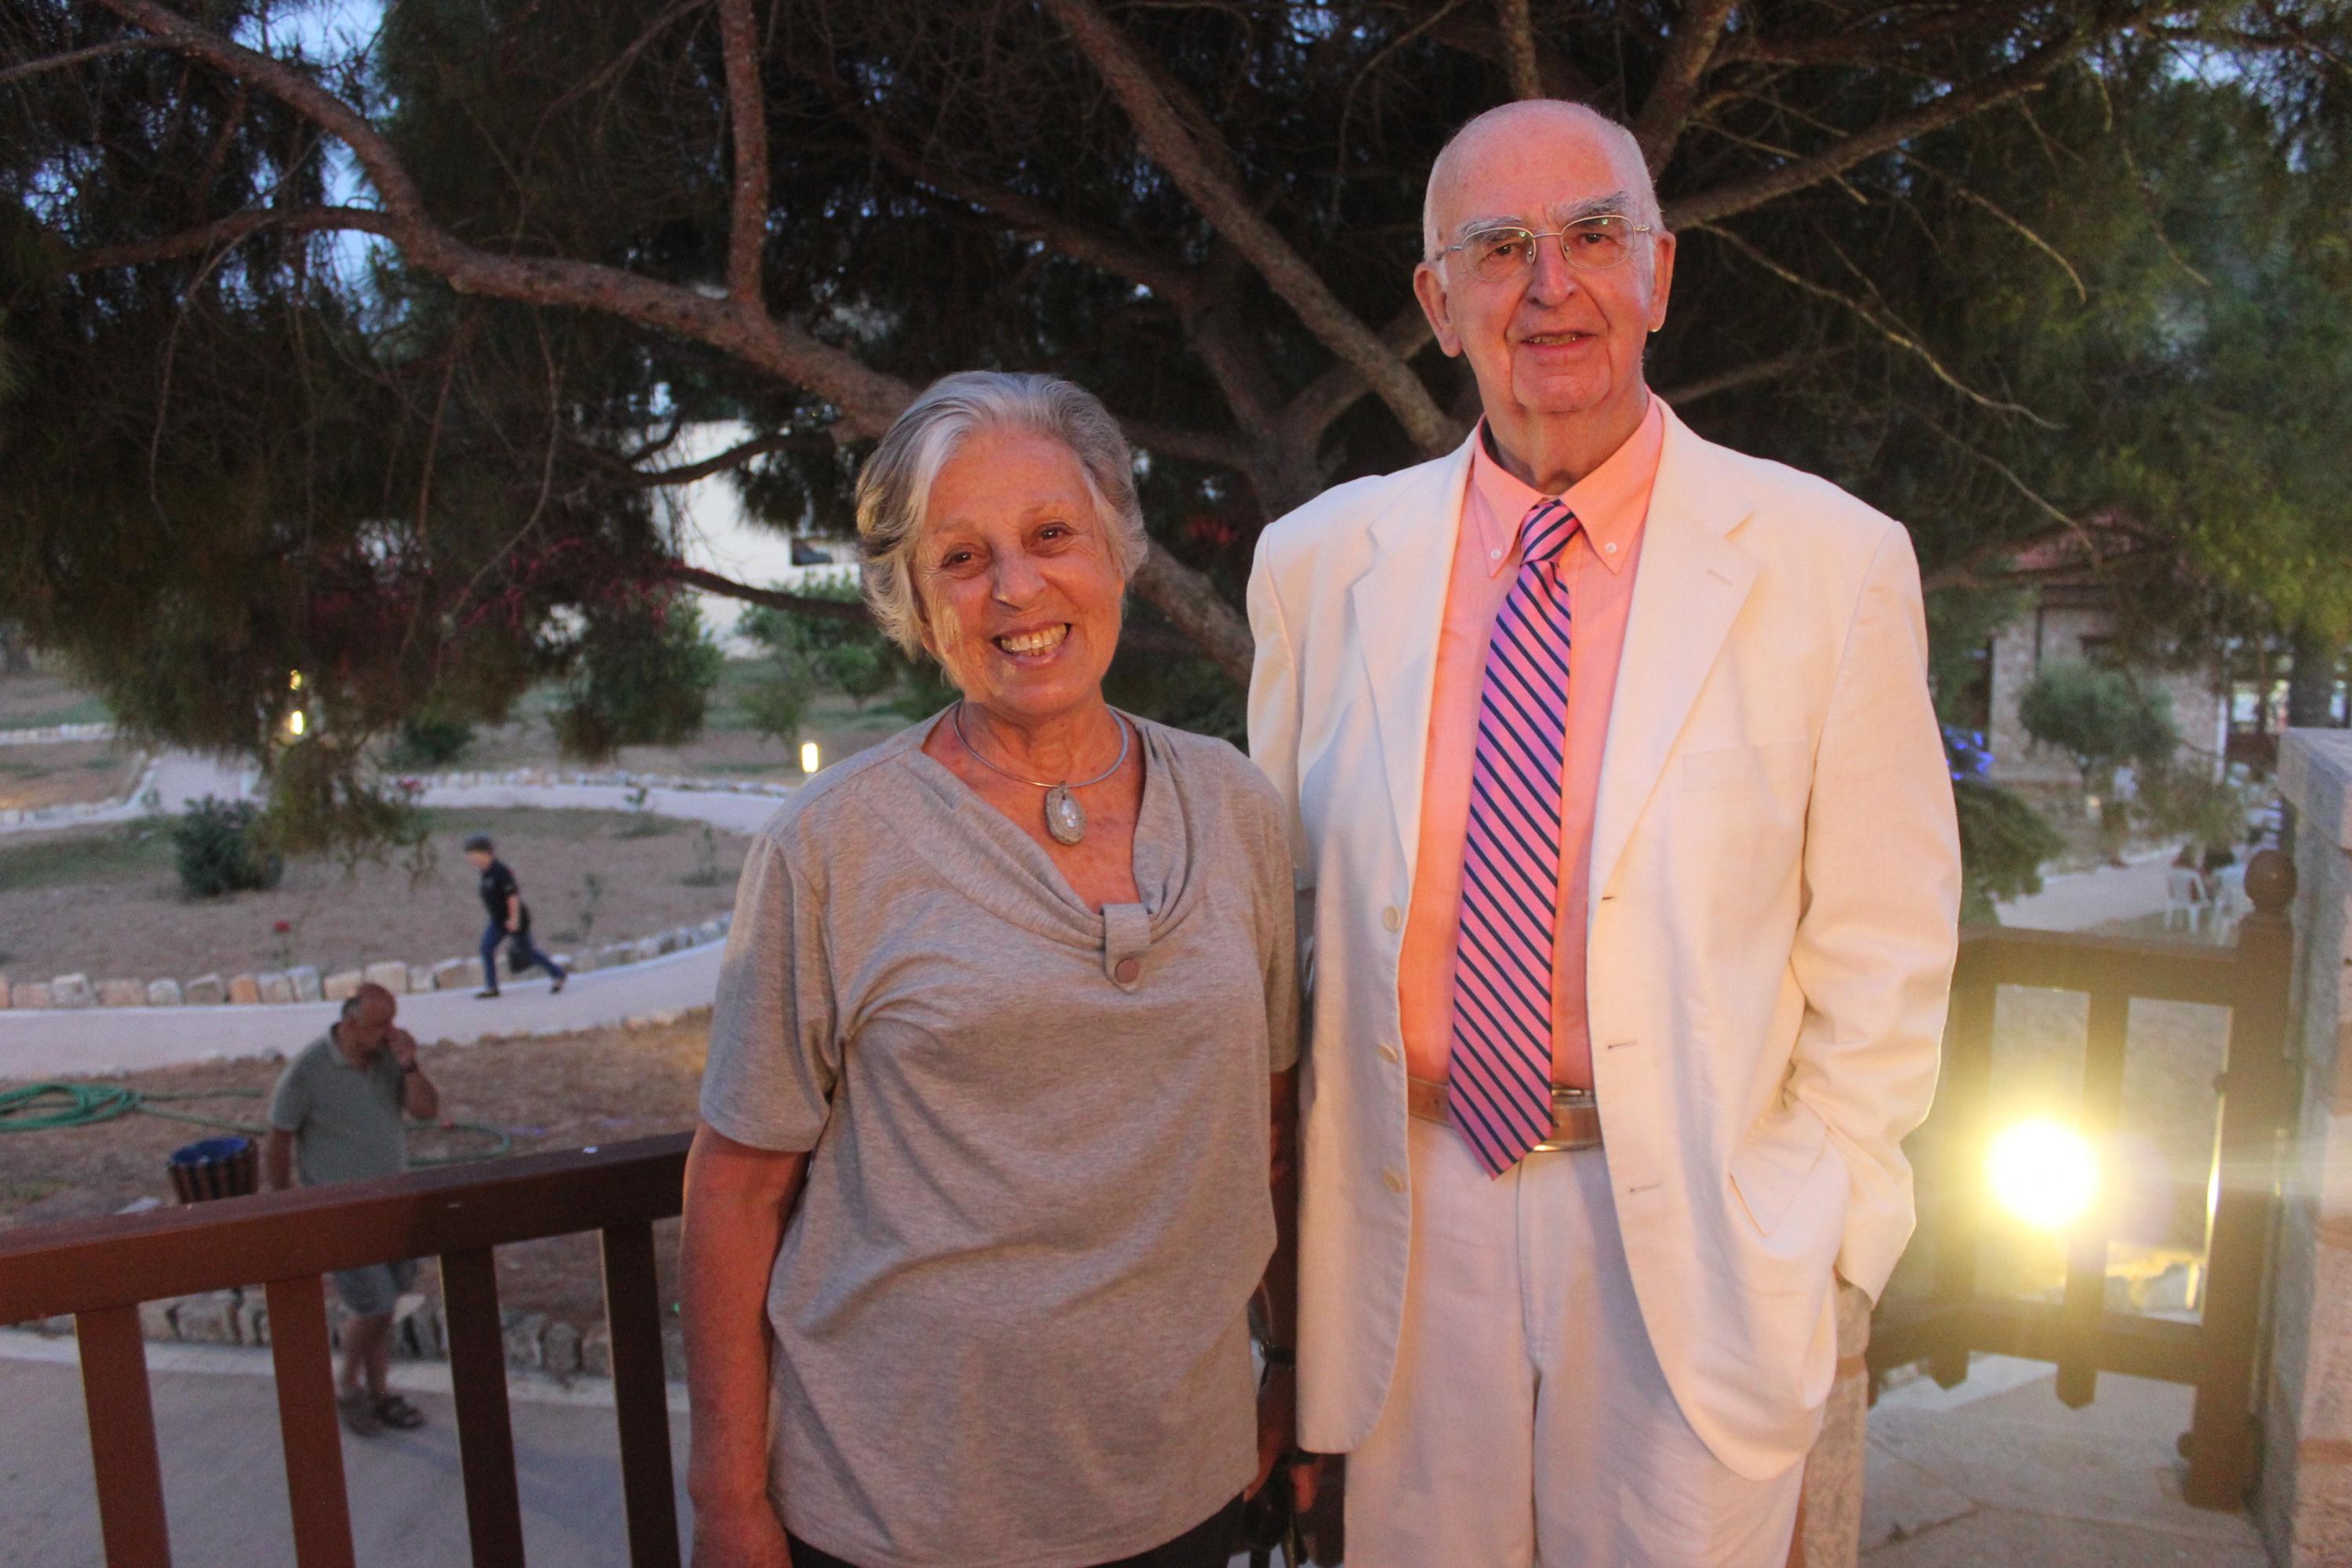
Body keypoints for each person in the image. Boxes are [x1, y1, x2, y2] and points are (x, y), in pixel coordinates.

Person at [1247, 100, 1962, 1566]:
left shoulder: (1832, 564)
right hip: (1407, 1226)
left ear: (1659, 274)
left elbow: (1887, 944)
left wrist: (1829, 1227)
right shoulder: (1317, 567)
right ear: (1437, 304)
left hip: (1689, 1239)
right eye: (1499, 248)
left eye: (1591, 235)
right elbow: (1285, 926)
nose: (1551, 285)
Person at [681, 371, 1302, 1568]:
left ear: (1119, 550)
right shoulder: (832, 846)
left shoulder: (1236, 809)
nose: (1017, 588)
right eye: (962, 558)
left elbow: (1271, 1134)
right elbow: (738, 1191)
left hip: (1180, 1486)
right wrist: (727, 1495)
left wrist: (1289, 1364)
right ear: (917, 604)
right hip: (896, 1513)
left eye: (1052, 534)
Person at [263, 982, 440, 1437]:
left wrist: (410, 1065)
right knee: (374, 1303)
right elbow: (279, 1137)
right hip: (341, 1210)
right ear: (349, 1024)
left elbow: (426, 1110)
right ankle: (346, 1385)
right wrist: (284, 1202)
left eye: (392, 1022)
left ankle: (379, 1393)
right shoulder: (309, 1070)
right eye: (379, 1025)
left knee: (386, 1303)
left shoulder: (388, 1059)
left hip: (394, 1203)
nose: (389, 1033)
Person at [462, 833, 565, 998]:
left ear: (485, 852)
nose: (470, 858)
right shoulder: (485, 873)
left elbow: (513, 896)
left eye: (473, 853)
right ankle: (491, 987)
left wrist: (514, 918)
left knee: (527, 951)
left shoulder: (501, 871)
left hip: (514, 918)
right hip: (498, 921)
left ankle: (558, 973)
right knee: (486, 948)